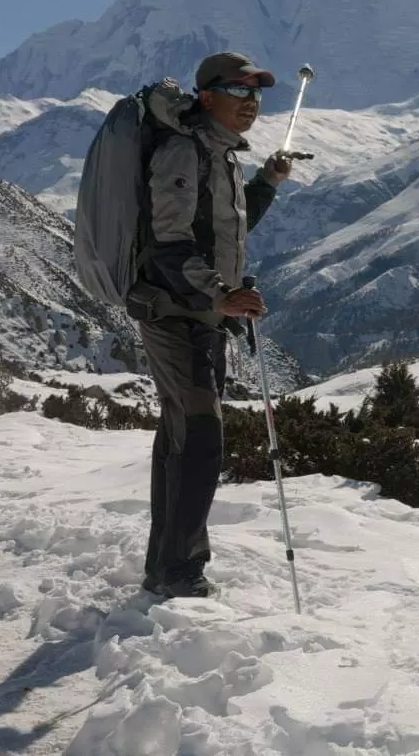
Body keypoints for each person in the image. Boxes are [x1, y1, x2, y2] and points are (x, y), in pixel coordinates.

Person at [135, 51, 292, 598]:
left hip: (202, 315)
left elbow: (226, 229)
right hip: (175, 313)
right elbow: (169, 245)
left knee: (182, 435)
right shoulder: (184, 151)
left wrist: (268, 182)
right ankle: (179, 572)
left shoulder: (222, 154)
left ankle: (165, 565)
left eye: (257, 94)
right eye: (239, 91)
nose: (251, 103)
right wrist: (225, 295)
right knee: (200, 435)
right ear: (207, 96)